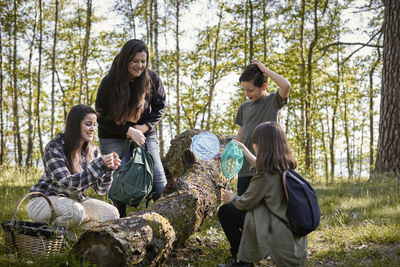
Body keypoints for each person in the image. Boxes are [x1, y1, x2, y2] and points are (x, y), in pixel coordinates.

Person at [217, 122, 308, 267]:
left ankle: (242, 261)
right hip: (296, 241)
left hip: (275, 235)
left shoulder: (265, 175)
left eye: (254, 142)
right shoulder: (288, 169)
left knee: (226, 211)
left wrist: (231, 198)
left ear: (260, 144)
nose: (253, 145)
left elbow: (244, 203)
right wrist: (243, 149)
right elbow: (259, 164)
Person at [95, 39, 167, 217]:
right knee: (117, 181)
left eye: (143, 61)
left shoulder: (152, 78)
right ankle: (118, 223)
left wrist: (145, 127)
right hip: (113, 135)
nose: (140, 65)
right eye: (135, 61)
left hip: (144, 132)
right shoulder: (109, 83)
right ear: (125, 60)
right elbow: (101, 117)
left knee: (158, 178)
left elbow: (161, 107)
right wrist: (128, 131)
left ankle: (164, 221)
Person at [27, 104, 121, 228]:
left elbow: (101, 190)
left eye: (94, 124)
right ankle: (47, 236)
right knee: (75, 212)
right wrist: (99, 165)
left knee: (111, 213)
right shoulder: (55, 147)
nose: (93, 128)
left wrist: (108, 169)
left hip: (74, 202)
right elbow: (67, 185)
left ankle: (72, 239)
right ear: (75, 125)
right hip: (43, 201)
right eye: (88, 124)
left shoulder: (93, 151)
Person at [235, 59, 291, 196]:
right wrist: (226, 153)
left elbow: (286, 85)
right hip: (245, 171)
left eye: (251, 90)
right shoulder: (244, 107)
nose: (247, 94)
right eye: (244, 90)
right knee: (243, 210)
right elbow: (240, 137)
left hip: (267, 169)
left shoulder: (273, 101)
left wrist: (264, 70)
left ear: (263, 86)